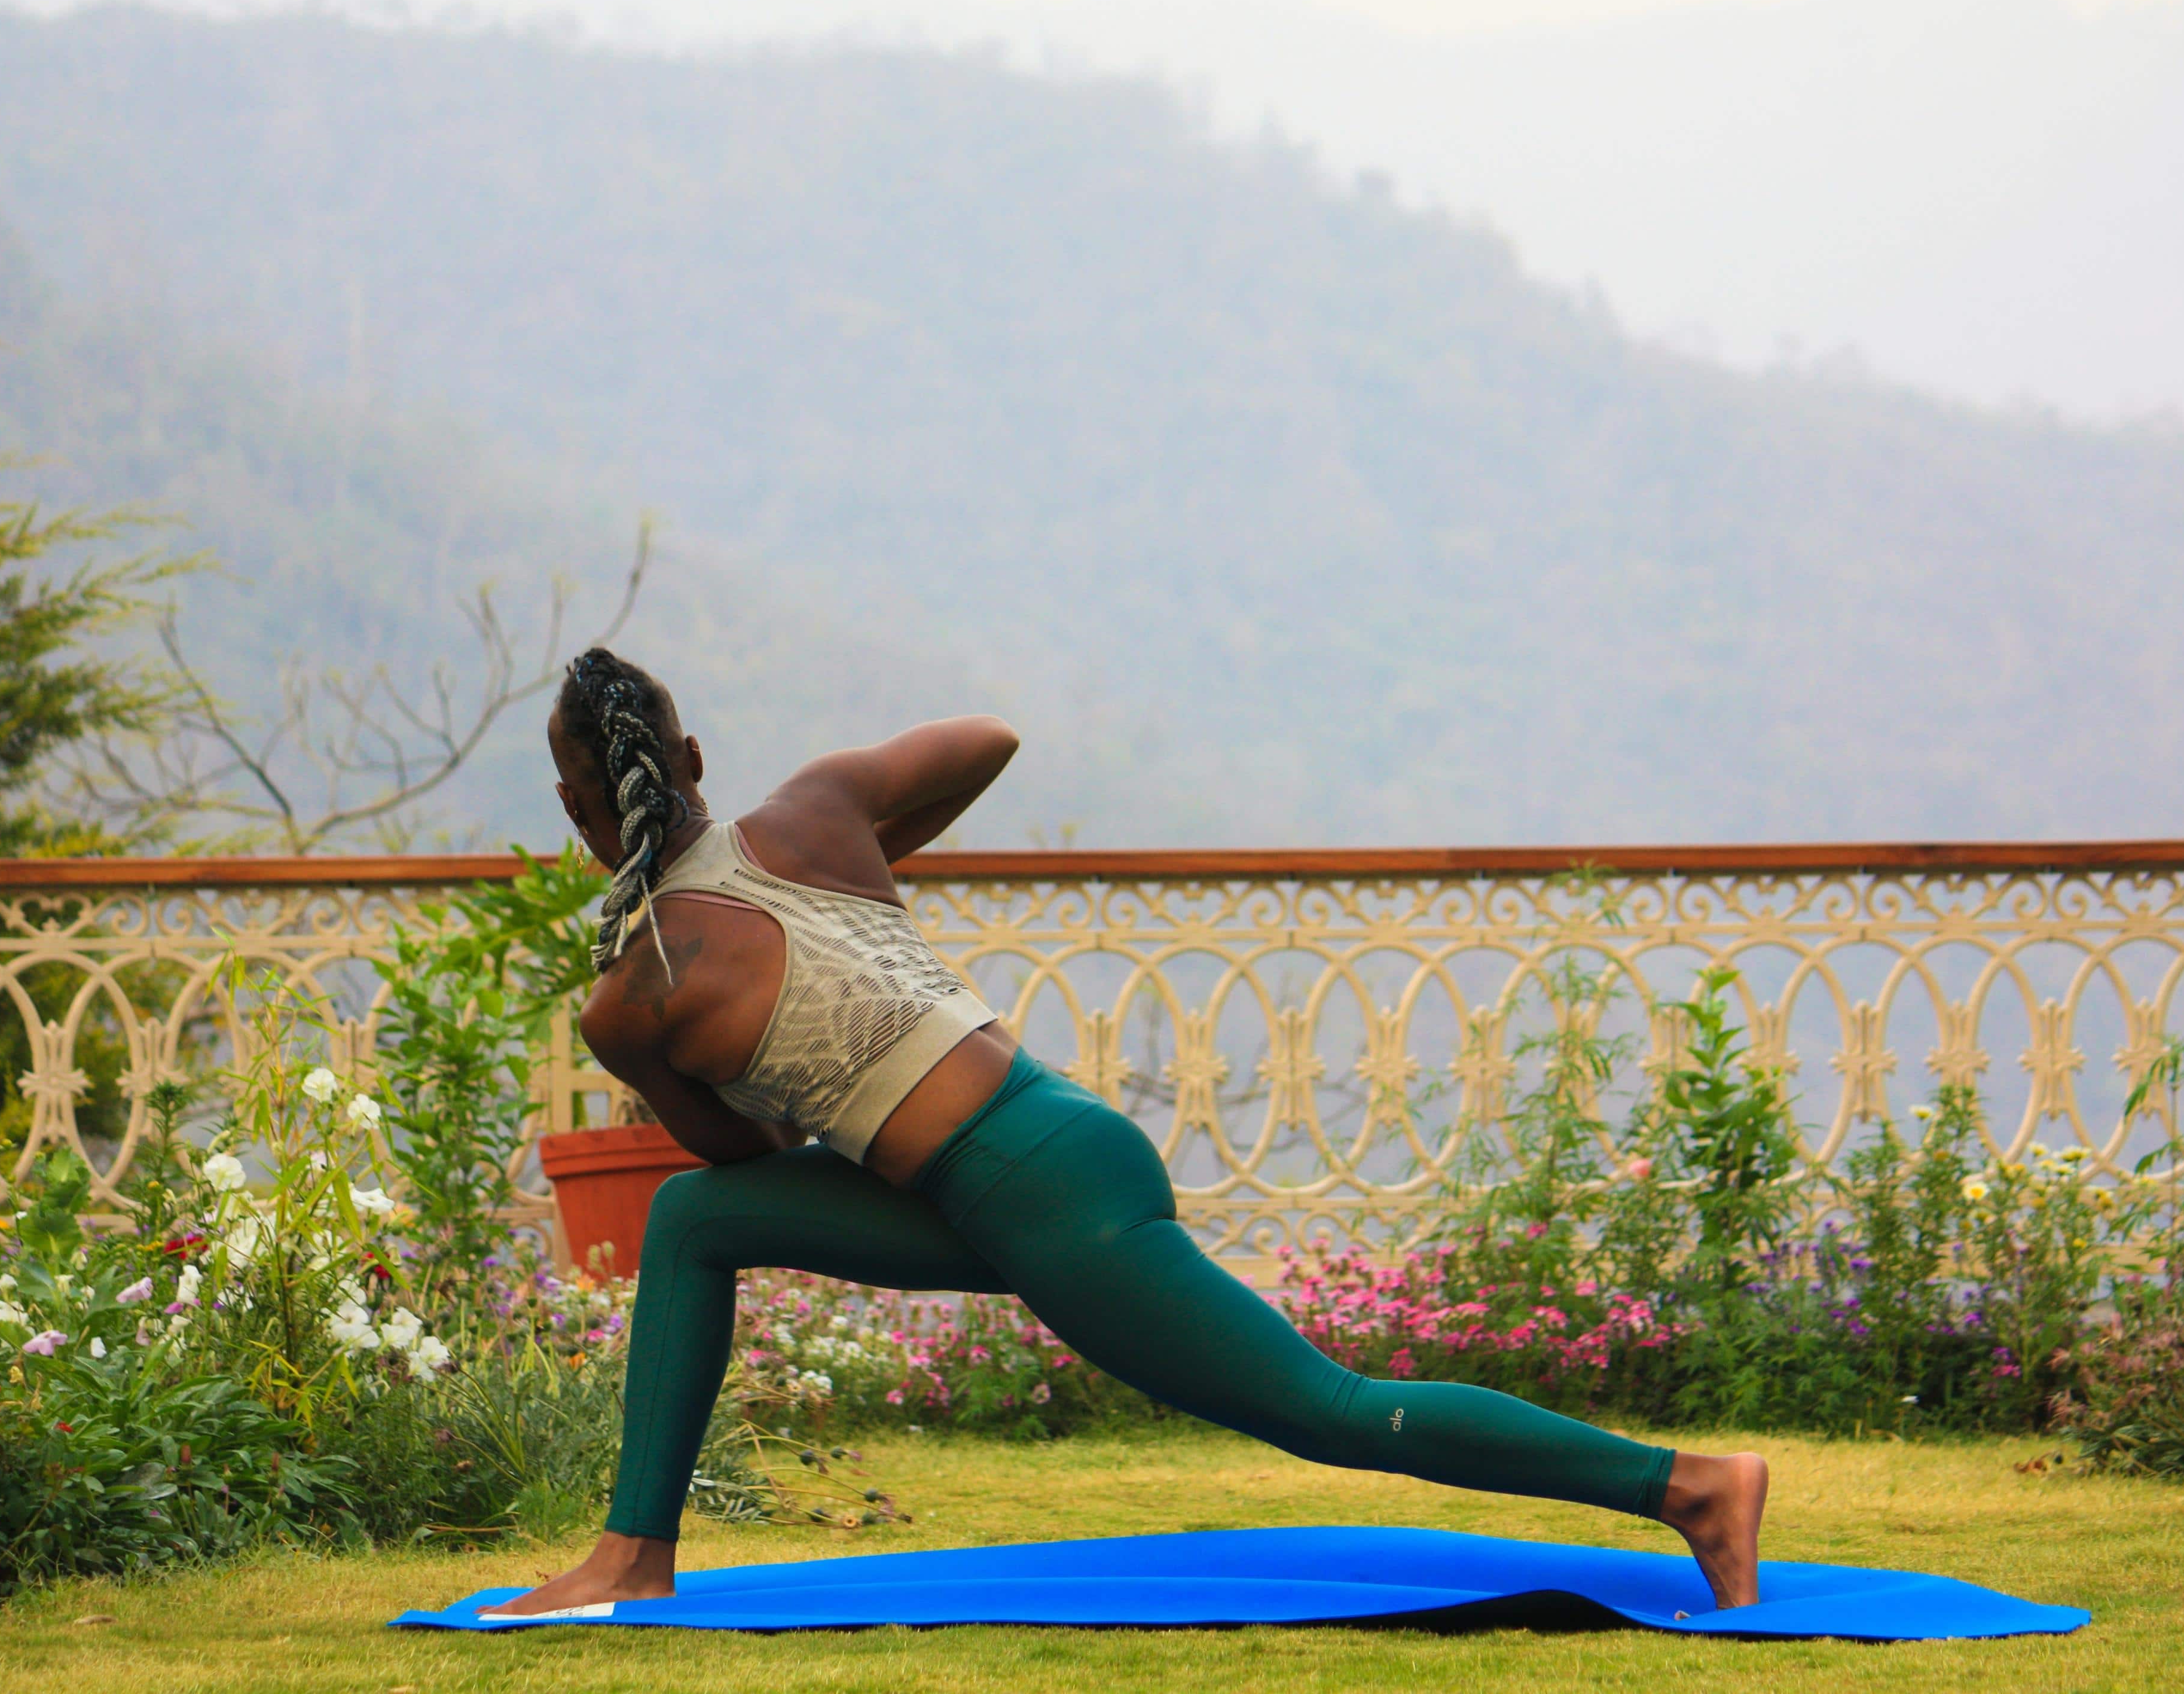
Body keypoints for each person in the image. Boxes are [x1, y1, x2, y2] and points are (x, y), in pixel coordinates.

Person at [485, 648, 1767, 1617]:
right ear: (694, 755)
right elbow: (987, 736)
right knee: (691, 1224)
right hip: (1038, 1147)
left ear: (570, 803)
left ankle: (1687, 1483)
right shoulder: (819, 810)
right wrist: (879, 843)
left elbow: (744, 1154)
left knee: (1323, 1406)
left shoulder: (631, 999)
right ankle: (635, 1552)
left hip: (1042, 1194)